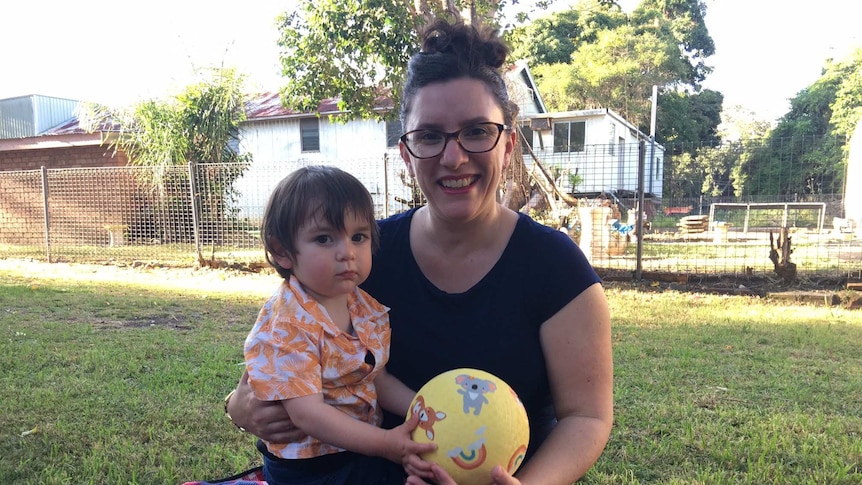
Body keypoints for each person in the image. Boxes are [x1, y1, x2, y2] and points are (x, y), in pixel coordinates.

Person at [226, 18, 613, 485]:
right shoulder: (364, 256)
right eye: (430, 136)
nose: (453, 158)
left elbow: (586, 418)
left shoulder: (556, 268)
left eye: (476, 131)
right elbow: (290, 350)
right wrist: (239, 404)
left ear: (508, 145)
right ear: (407, 154)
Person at [242, 165, 435, 484]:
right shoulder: (287, 324)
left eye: (358, 236)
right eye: (324, 238)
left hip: (361, 450)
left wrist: (424, 409)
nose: (347, 252)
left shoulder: (365, 307)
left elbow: (378, 379)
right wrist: (386, 444)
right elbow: (308, 415)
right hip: (310, 469)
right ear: (283, 251)